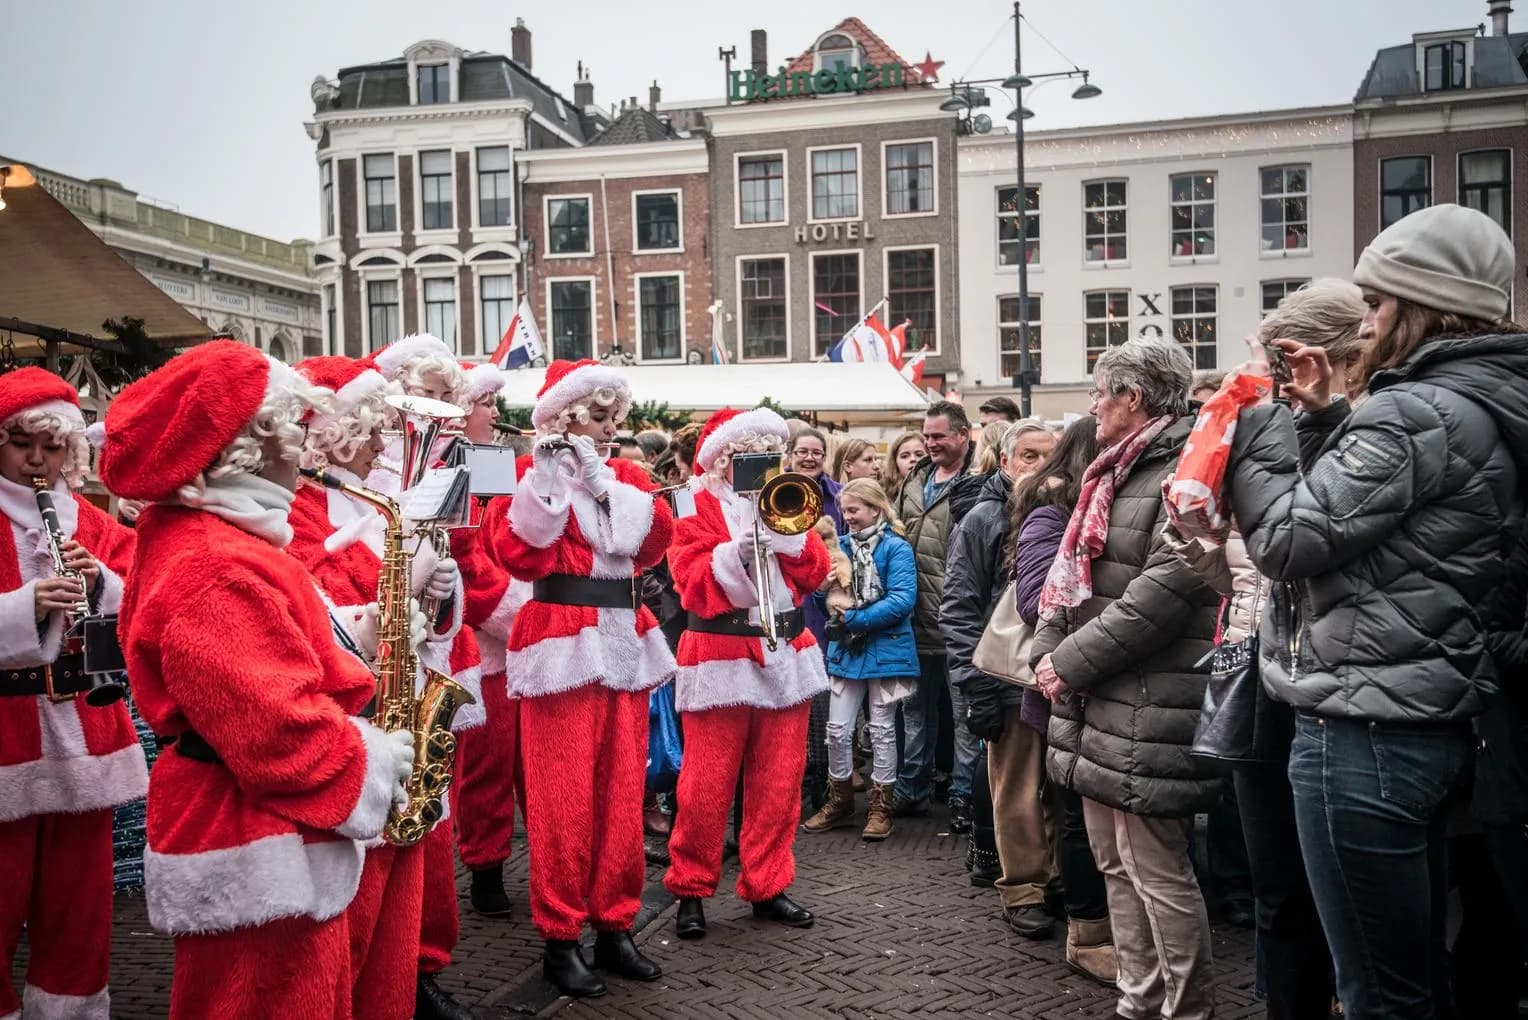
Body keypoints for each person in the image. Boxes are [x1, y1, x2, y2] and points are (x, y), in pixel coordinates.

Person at [1226, 203, 1528, 1019]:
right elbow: (1388, 530)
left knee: (1378, 992)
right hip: (1437, 706)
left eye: (1379, 303)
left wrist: (1255, 421)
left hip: (1362, 723)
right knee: (1420, 967)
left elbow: (1288, 541)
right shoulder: (1482, 400)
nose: (1369, 320)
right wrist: (1325, 421)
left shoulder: (1410, 409)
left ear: (1422, 303)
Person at [101, 341, 415, 1019]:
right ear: (248, 442)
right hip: (254, 839)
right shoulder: (212, 561)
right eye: (293, 428)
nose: (303, 446)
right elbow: (277, 731)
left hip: (268, 835)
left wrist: (351, 639)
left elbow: (258, 664)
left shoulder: (216, 541)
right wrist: (376, 762)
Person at [1168, 280, 1365, 1020]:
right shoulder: (1266, 427)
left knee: (1341, 891)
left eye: (1282, 366)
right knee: (1276, 882)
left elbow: (1300, 552)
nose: (1274, 383)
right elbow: (1247, 571)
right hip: (1254, 659)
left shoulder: (1370, 431)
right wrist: (1198, 547)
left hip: (1336, 676)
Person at [1031, 338, 1223, 1020]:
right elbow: (1066, 580)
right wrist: (1048, 649)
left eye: (1097, 394)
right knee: (1115, 863)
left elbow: (1166, 591)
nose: (1091, 407)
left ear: (1131, 398)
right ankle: (1137, 1000)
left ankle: (1186, 1007)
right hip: (1102, 700)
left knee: (1159, 869)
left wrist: (1064, 661)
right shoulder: (1111, 469)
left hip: (1150, 701)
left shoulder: (1188, 470)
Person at [283, 355, 475, 1020]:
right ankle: (365, 992)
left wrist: (440, 592)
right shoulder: (298, 506)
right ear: (336, 433)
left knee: (411, 851)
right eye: (371, 434)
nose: (381, 446)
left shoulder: (380, 498)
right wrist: (412, 571)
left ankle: (407, 982)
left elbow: (417, 609)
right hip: (354, 705)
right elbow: (328, 604)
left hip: (404, 684)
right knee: (365, 871)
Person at [485, 358, 675, 998]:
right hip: (561, 639)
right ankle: (560, 940)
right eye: (598, 416)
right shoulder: (526, 475)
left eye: (614, 418)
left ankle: (614, 926)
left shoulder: (623, 475)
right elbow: (518, 552)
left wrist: (602, 484)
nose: (609, 429)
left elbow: (651, 545)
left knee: (622, 795)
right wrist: (551, 479)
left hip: (622, 637)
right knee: (562, 803)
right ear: (563, 415)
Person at [0, 368, 147, 1020]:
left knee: (78, 916)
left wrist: (103, 587)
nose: (37, 460)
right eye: (20, 443)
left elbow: (149, 597)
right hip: (8, 738)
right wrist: (23, 606)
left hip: (88, 737)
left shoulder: (83, 516)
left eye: (51, 447)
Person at [664, 407, 830, 939]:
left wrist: (788, 539)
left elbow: (817, 573)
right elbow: (689, 580)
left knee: (780, 782)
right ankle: (691, 888)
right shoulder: (693, 502)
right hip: (719, 650)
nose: (754, 466)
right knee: (704, 786)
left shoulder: (785, 498)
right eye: (743, 455)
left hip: (785, 651)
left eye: (765, 455)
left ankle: (768, 884)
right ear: (719, 459)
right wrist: (735, 553)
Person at [1008, 419, 1115, 983]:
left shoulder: (1117, 505)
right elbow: (1033, 602)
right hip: (1065, 689)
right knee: (1074, 816)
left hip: (1115, 691)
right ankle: (1087, 930)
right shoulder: (1050, 515)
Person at [942, 422, 1061, 922]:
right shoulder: (984, 518)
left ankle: (1057, 880)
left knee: (1058, 788)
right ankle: (1023, 890)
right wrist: (979, 687)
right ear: (1006, 461)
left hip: (1057, 675)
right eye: (1028, 456)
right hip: (1007, 679)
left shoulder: (1065, 512)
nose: (1038, 467)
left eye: (1048, 457)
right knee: (1015, 789)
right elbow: (959, 608)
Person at [448, 362, 526, 922]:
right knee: (487, 764)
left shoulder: (499, 464)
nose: (495, 414)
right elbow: (465, 561)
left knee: (533, 763)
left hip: (528, 635)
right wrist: (518, 615)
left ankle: (547, 858)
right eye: (486, 404)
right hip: (489, 643)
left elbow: (510, 538)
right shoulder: (441, 467)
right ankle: (486, 864)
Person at [802, 478, 917, 841]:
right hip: (847, 649)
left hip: (885, 647)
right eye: (845, 510)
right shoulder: (839, 547)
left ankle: (881, 806)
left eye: (854, 510)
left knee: (882, 729)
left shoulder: (896, 549)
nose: (847, 517)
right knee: (837, 730)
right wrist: (823, 592)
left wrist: (852, 618)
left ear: (875, 509)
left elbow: (901, 600)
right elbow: (822, 599)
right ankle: (840, 800)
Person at [891, 400, 975, 822]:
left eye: (939, 436)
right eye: (926, 436)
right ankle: (911, 788)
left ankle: (963, 794)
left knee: (964, 716)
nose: (930, 443)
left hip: (958, 620)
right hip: (912, 618)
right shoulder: (915, 477)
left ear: (963, 434)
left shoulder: (979, 481)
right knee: (915, 712)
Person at [881, 432, 926, 505]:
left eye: (919, 455)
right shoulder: (883, 494)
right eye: (905, 456)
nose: (913, 459)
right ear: (895, 462)